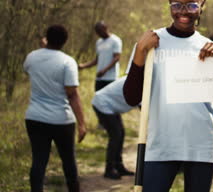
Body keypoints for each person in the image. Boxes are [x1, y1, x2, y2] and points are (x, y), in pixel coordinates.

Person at [123, 0, 213, 192]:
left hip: (201, 144)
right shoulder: (151, 43)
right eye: (177, 5)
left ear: (202, 7)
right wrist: (139, 53)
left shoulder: (208, 48)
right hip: (160, 144)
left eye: (192, 5)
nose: (184, 11)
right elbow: (131, 98)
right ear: (170, 6)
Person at [23, 24, 87, 192]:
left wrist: (44, 49)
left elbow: (29, 69)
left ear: (46, 38)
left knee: (39, 161)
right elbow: (72, 95)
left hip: (35, 118)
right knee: (68, 162)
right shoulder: (68, 62)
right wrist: (82, 124)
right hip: (62, 120)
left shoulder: (31, 57)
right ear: (65, 41)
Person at [91, 76, 137, 179]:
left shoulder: (139, 78)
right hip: (102, 103)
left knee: (120, 133)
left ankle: (118, 166)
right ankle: (109, 170)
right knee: (116, 136)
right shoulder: (139, 82)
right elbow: (145, 109)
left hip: (110, 105)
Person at [79, 21, 122, 92]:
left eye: (100, 31)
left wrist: (104, 70)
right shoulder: (98, 42)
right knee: (98, 100)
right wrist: (83, 66)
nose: (98, 34)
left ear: (105, 28)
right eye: (97, 32)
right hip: (99, 78)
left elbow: (117, 58)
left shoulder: (115, 40)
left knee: (110, 100)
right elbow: (97, 60)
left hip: (111, 78)